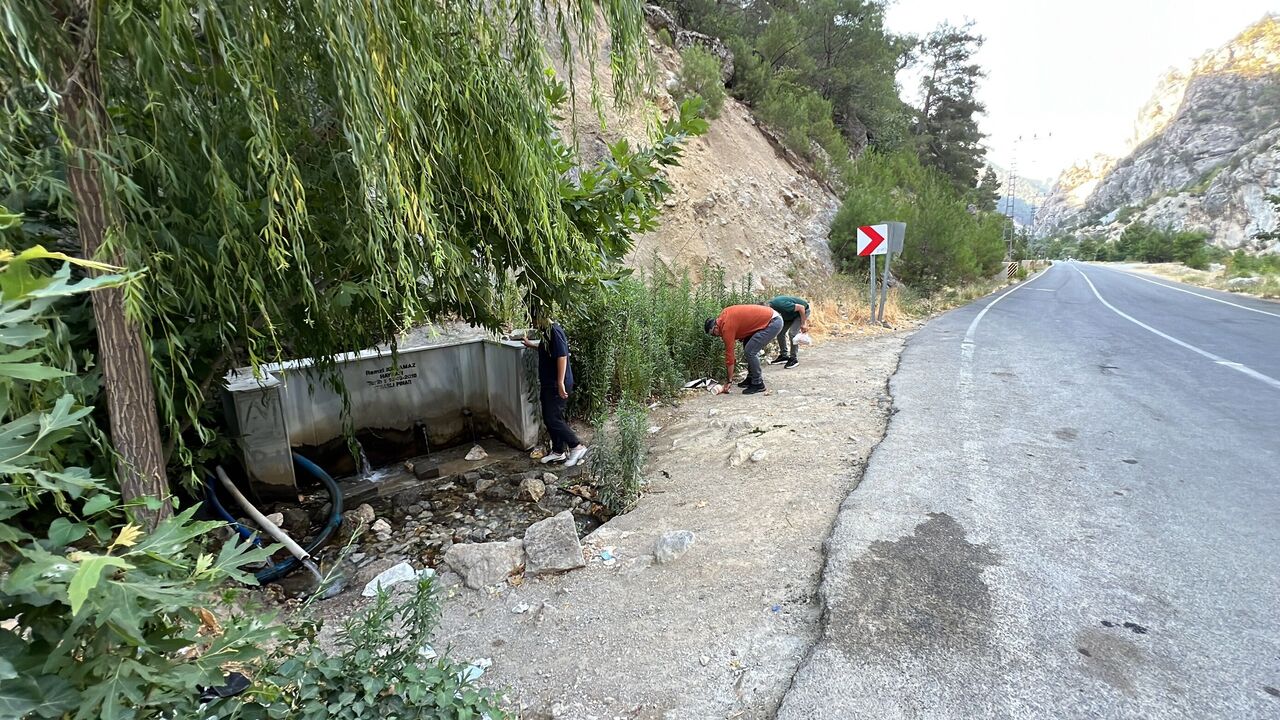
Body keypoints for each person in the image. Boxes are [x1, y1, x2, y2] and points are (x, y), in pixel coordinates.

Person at [521, 313, 588, 467]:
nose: (533, 323)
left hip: (557, 383)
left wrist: (560, 382)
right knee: (549, 416)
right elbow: (547, 349)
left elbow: (562, 356)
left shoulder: (555, 331)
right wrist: (530, 344)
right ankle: (558, 452)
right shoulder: (546, 333)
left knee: (552, 418)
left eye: (533, 319)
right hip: (549, 382)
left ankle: (576, 446)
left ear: (541, 316)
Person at [704, 304, 784, 395]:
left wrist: (729, 381)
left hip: (772, 322)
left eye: (714, 334)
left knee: (750, 351)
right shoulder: (724, 316)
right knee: (748, 344)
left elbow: (730, 357)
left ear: (715, 328)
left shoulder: (726, 327)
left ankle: (758, 383)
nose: (716, 336)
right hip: (770, 318)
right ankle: (751, 377)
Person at [766, 295, 810, 368]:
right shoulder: (772, 307)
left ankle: (793, 358)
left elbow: (801, 308)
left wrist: (803, 323)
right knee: (780, 332)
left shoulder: (780, 305)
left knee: (792, 333)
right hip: (789, 315)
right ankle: (784, 356)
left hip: (801, 312)